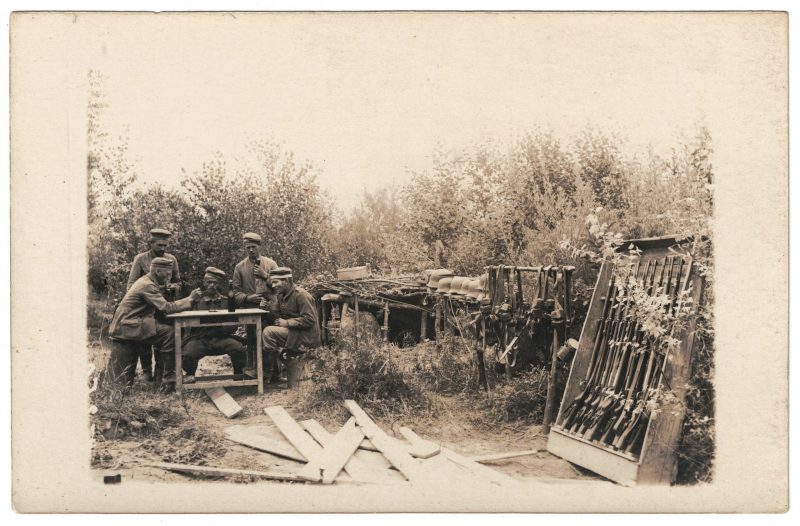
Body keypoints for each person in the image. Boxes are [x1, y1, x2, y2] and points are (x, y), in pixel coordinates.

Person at [108, 257, 201, 388]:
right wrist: (190, 299)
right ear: (157, 271)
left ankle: (162, 377)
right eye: (167, 274)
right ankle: (168, 376)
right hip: (129, 325)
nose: (169, 278)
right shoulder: (147, 285)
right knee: (169, 333)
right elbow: (167, 308)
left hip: (131, 323)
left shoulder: (147, 281)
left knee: (165, 329)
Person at [126, 228, 182, 382]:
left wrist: (173, 287)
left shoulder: (171, 259)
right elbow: (131, 285)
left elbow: (178, 281)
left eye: (165, 245)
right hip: (145, 307)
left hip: (164, 307)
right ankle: (146, 371)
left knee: (164, 338)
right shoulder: (140, 259)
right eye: (159, 245)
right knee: (144, 339)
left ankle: (160, 371)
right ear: (151, 243)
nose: (163, 249)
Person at [181, 267, 246, 383]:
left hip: (222, 338)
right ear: (204, 283)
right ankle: (190, 374)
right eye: (208, 282)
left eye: (214, 282)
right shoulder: (196, 301)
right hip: (200, 338)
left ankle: (238, 373)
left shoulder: (227, 301)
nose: (211, 285)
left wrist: (223, 326)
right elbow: (187, 322)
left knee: (238, 348)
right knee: (188, 352)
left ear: (219, 284)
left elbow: (234, 325)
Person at [260, 267, 321, 383]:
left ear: (286, 281)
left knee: (269, 332)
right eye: (272, 282)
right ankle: (275, 372)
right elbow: (278, 317)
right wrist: (268, 309)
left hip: (306, 336)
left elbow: (310, 320)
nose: (273, 286)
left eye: (275, 282)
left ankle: (271, 373)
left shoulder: (301, 295)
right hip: (294, 332)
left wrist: (287, 323)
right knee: (263, 330)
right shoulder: (281, 296)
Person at [231, 232, 278, 378]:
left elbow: (281, 286)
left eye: (253, 247)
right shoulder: (240, 267)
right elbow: (235, 294)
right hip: (251, 312)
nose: (251, 250)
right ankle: (254, 372)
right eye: (248, 248)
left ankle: (274, 372)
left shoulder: (270, 264)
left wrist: (266, 276)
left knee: (271, 338)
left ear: (260, 246)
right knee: (253, 341)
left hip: (271, 310)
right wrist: (248, 298)